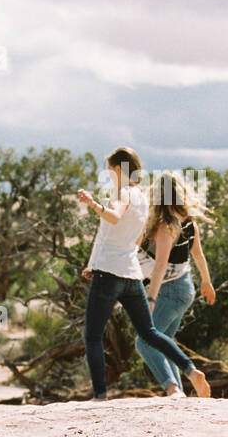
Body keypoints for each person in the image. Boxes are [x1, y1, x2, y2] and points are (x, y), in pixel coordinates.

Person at [79, 147, 211, 401]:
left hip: (111, 273)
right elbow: (131, 240)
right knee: (150, 333)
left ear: (118, 169)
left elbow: (114, 218)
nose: (108, 174)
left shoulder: (125, 196)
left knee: (94, 336)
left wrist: (92, 203)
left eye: (109, 169)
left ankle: (101, 396)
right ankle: (190, 372)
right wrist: (92, 262)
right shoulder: (141, 197)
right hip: (134, 276)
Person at [135, 171, 216, 397]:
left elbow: (160, 266)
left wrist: (151, 297)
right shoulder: (189, 223)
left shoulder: (166, 226)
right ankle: (179, 392)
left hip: (169, 292)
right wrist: (207, 283)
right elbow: (199, 256)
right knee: (165, 342)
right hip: (186, 289)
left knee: (144, 341)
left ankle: (173, 389)